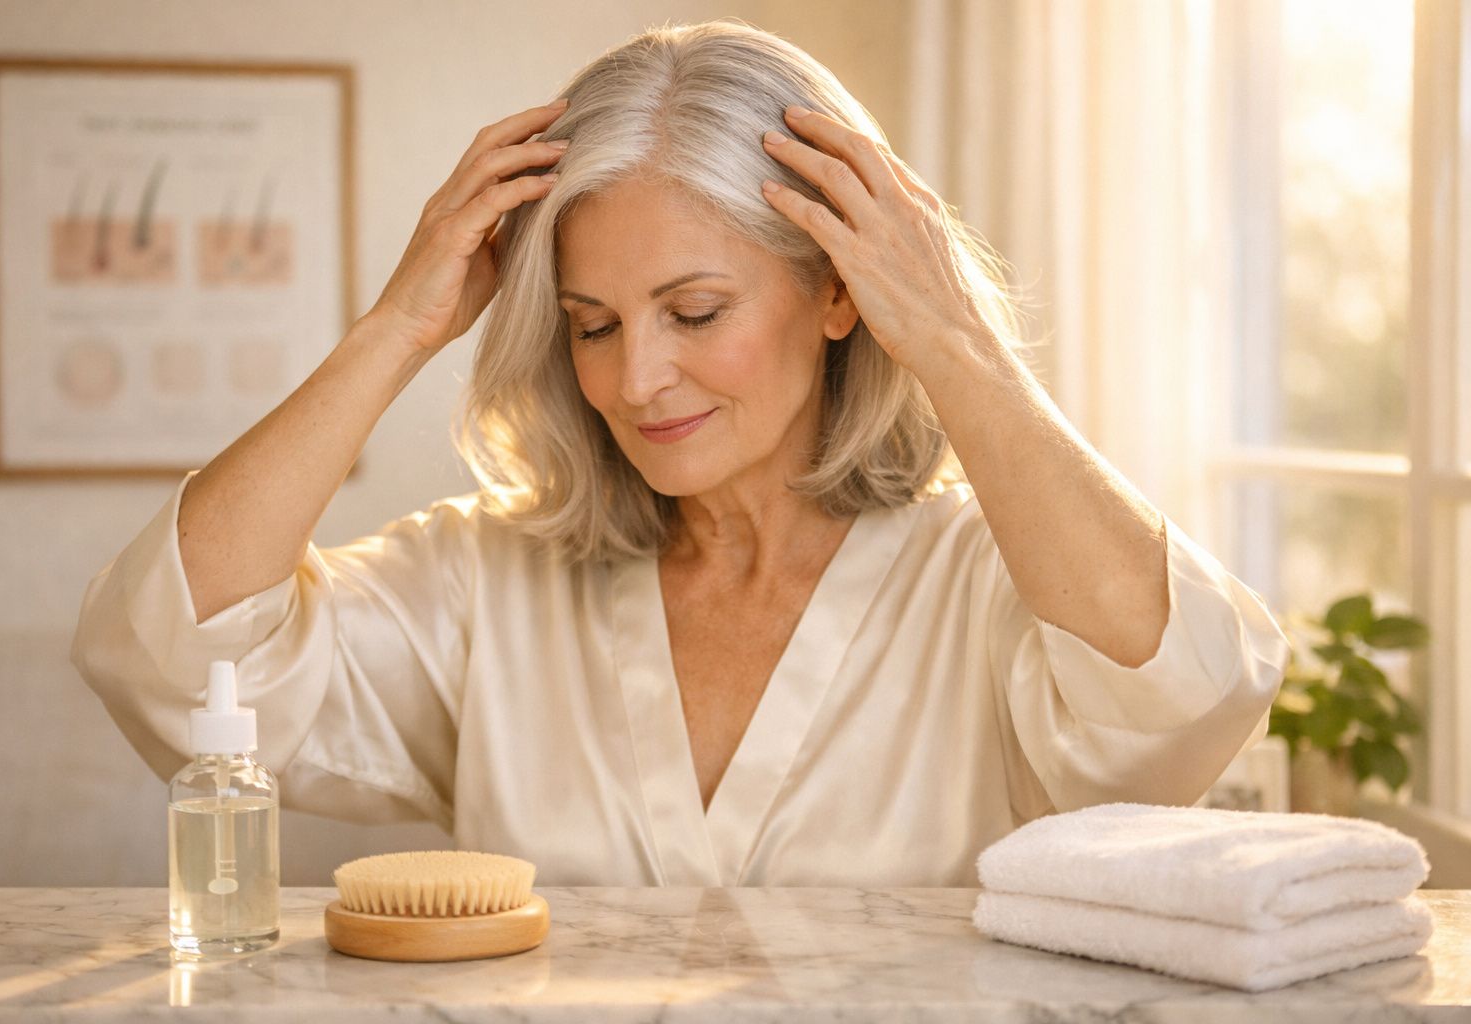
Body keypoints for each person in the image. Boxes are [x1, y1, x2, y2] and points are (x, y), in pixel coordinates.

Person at [71, 19, 1289, 887]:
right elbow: (176, 658)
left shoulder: (982, 584)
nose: (634, 379)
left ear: (839, 292)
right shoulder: (486, 584)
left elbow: (1185, 701)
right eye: (593, 325)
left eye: (695, 312)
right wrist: (397, 328)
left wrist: (956, 343)